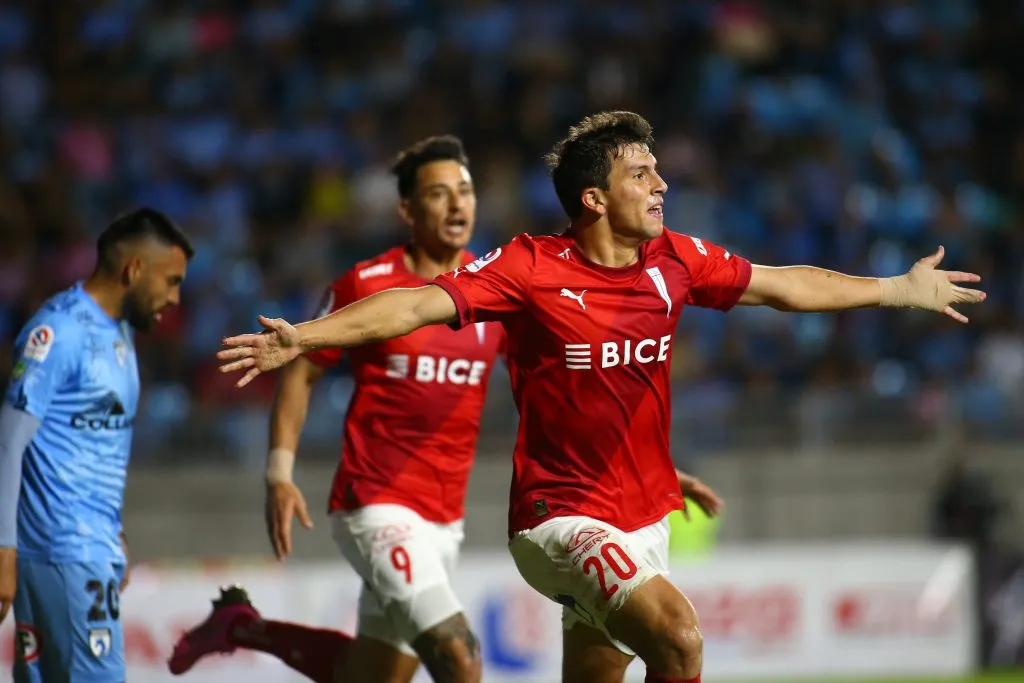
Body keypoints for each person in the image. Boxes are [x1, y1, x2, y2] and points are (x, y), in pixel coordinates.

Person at [215, 111, 986, 683]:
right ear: (592, 198)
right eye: (641, 173)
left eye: (658, 170)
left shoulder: (675, 259)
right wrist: (309, 337)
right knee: (678, 638)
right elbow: (417, 305)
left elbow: (785, 283)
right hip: (560, 517)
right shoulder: (528, 267)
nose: (662, 184)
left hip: (643, 512)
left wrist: (896, 288)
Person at [169, 135, 504, 683]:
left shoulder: (490, 290)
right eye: (439, 194)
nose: (457, 204)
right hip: (374, 504)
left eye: (464, 192)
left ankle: (241, 626)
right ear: (407, 210)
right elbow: (301, 370)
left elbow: (547, 378)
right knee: (459, 656)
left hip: (446, 513)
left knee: (371, 675)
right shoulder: (366, 284)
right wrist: (279, 472)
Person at [0, 208, 193, 683]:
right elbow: (8, 441)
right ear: (133, 270)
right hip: (62, 549)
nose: (175, 297)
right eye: (170, 281)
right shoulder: (59, 332)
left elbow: (92, 446)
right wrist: (3, 549)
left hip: (89, 545)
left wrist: (115, 533)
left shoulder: (119, 335)